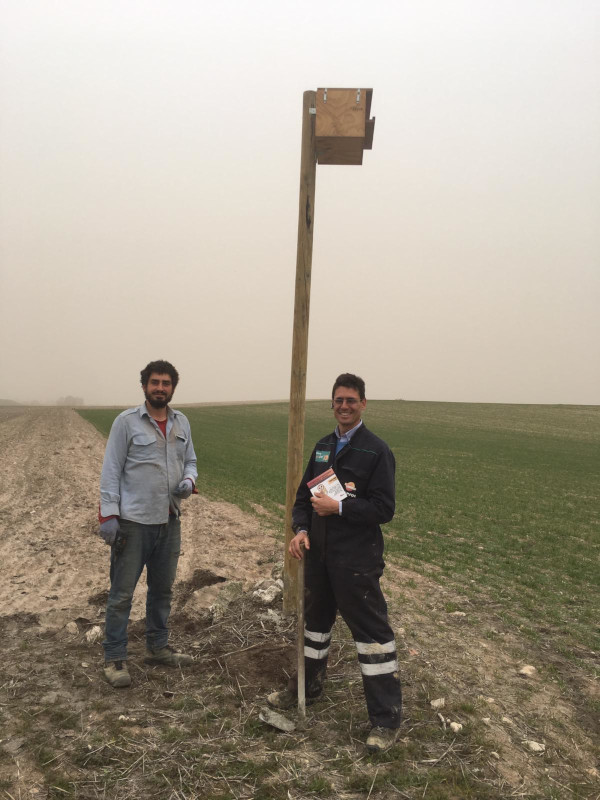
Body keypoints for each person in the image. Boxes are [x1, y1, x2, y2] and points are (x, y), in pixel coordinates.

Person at [268, 373, 402, 753]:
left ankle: (385, 720)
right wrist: (300, 530)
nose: (344, 406)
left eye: (351, 400)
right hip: (320, 558)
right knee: (314, 628)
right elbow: (301, 499)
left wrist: (339, 506)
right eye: (338, 400)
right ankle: (306, 691)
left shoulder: (376, 451)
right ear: (332, 404)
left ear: (363, 404)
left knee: (372, 638)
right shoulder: (323, 447)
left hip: (356, 561)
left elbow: (384, 508)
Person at [98, 359, 198, 688]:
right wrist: (109, 514)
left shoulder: (181, 423)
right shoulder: (126, 422)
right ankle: (114, 658)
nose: (160, 388)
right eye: (154, 382)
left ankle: (157, 648)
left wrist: (188, 479)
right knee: (122, 594)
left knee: (162, 592)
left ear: (172, 388)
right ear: (144, 386)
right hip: (133, 524)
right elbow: (111, 469)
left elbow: (192, 461)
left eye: (166, 383)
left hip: (169, 521)